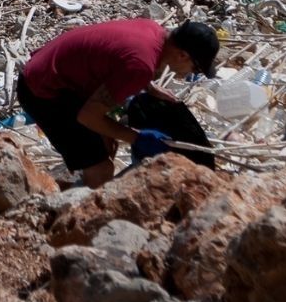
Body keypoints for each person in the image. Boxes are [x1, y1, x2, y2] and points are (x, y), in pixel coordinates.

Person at [16, 19, 219, 188]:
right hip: (43, 91)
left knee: (108, 142)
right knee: (102, 168)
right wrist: (138, 138)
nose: (191, 74)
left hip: (53, 71)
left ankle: (81, 184)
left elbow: (119, 57)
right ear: (183, 54)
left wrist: (147, 87)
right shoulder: (140, 66)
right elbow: (87, 117)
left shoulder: (153, 30)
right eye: (195, 67)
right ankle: (85, 218)